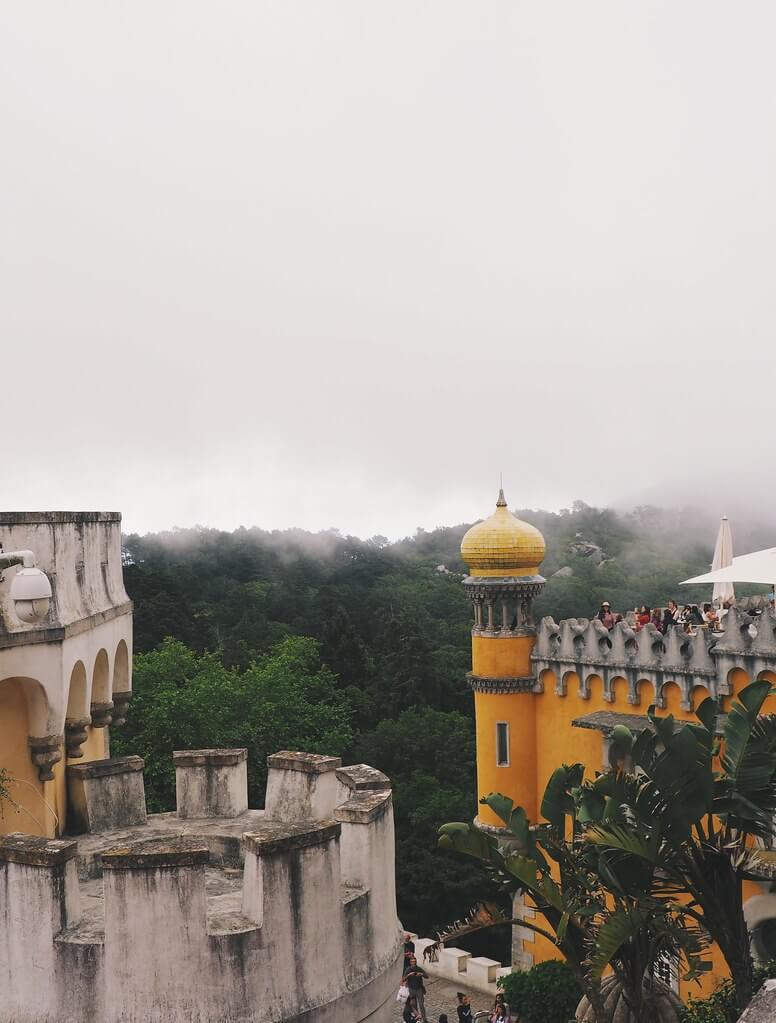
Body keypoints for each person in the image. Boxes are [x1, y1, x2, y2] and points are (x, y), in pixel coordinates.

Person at [404, 955, 428, 1021]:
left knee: (421, 1005)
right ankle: (417, 1019)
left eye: (414, 962)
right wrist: (409, 975)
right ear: (410, 962)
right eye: (412, 962)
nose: (413, 963)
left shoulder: (419, 969)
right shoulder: (408, 969)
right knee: (414, 1006)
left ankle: (424, 1019)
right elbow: (403, 979)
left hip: (419, 989)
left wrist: (421, 974)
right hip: (411, 990)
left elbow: (426, 976)